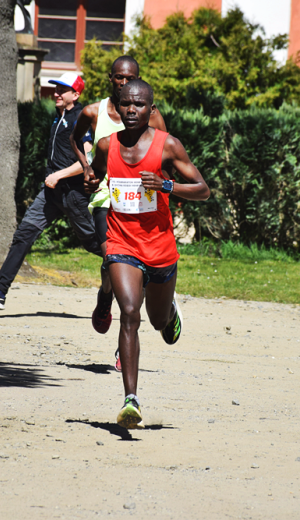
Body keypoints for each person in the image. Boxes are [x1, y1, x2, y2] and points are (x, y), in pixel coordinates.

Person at [86, 80, 210, 429]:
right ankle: (131, 399)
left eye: (139, 105)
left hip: (159, 248)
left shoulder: (167, 145)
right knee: (129, 312)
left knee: (156, 322)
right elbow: (96, 175)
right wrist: (91, 180)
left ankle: (170, 311)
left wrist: (167, 185)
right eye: (125, 104)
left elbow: (203, 189)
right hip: (122, 242)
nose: (131, 110)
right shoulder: (108, 145)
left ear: (150, 109)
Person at [0, 72, 98, 310]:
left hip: (73, 195)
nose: (56, 93)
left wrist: (59, 175)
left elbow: (89, 159)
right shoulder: (57, 118)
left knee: (95, 244)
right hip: (50, 194)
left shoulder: (81, 118)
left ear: (76, 94)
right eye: (55, 88)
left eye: (62, 89)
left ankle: (142, 276)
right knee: (23, 235)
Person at [70, 57, 167, 356]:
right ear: (110, 78)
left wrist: (163, 187)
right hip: (105, 198)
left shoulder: (151, 114)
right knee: (112, 258)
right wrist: (87, 169)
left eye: (131, 78)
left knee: (135, 267)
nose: (125, 83)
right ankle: (107, 297)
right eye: (119, 78)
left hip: (140, 201)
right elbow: (75, 139)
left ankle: (122, 337)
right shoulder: (93, 112)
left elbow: (165, 156)